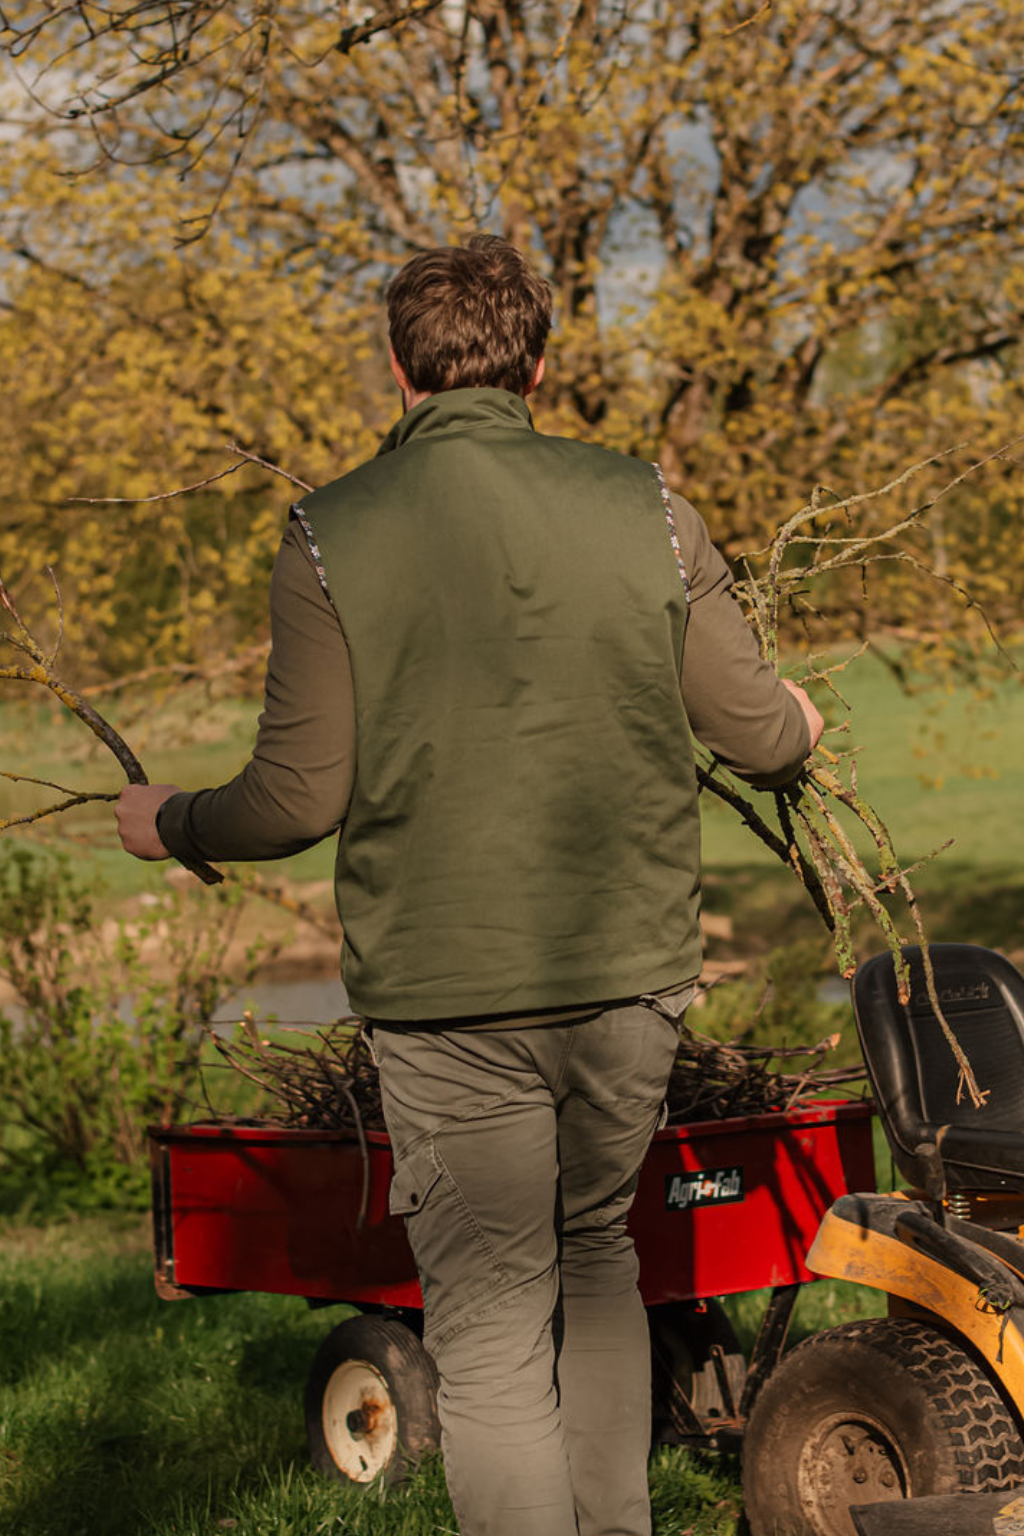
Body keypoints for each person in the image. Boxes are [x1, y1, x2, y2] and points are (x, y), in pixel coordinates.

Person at [117, 234, 823, 1536]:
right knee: (599, 1250)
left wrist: (169, 821)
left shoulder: (332, 533)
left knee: (492, 1315)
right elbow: (759, 735)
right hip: (629, 979)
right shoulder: (650, 505)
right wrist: (801, 722)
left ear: (399, 370)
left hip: (448, 995)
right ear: (538, 367)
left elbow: (297, 800)